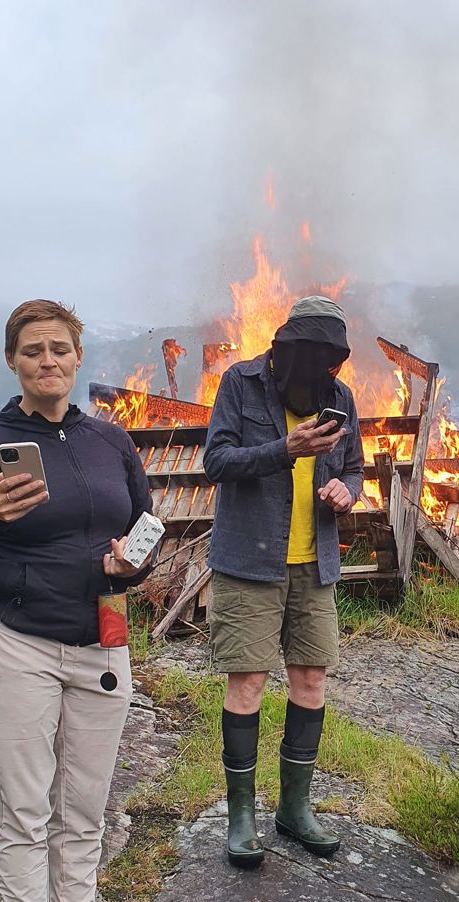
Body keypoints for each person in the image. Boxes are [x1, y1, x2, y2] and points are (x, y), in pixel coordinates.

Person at [0, 299, 151, 902]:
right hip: (14, 638)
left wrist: (130, 566)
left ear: (78, 357)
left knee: (84, 804)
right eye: (33, 350)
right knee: (24, 806)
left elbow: (143, 527)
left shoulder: (110, 442)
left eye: (60, 348)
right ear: (12, 361)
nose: (48, 361)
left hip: (102, 635)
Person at [202, 294, 364, 869]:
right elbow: (216, 462)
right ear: (285, 347)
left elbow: (354, 468)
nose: (321, 370)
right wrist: (284, 450)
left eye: (330, 360)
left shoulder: (340, 398)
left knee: (311, 680)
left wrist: (347, 491)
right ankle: (242, 817)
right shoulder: (240, 384)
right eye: (311, 356)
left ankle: (294, 809)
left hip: (314, 565)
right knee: (247, 682)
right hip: (249, 562)